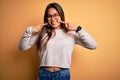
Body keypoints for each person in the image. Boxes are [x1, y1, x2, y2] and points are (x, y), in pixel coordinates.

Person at [19, 2, 97, 80]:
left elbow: (93, 45)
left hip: (63, 75)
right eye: (49, 16)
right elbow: (22, 47)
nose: (52, 19)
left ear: (61, 15)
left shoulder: (71, 33)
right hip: (44, 74)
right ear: (46, 18)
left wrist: (78, 29)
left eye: (55, 15)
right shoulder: (42, 33)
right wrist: (30, 30)